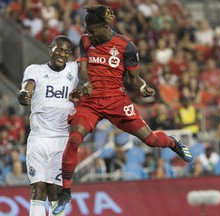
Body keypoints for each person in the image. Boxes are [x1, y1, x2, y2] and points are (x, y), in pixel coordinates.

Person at [52, 5, 193, 214]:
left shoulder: (126, 47)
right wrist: (86, 83)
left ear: (104, 26)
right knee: (73, 140)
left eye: (93, 30)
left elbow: (134, 80)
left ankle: (173, 142)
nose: (90, 34)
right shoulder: (85, 41)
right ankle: (65, 192)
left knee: (151, 140)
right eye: (87, 30)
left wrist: (144, 87)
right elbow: (83, 70)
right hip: (90, 102)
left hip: (117, 101)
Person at [17, 35, 78, 216]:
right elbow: (27, 87)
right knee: (38, 188)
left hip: (62, 139)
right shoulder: (35, 70)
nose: (62, 54)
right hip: (39, 138)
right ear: (50, 48)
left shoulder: (74, 70)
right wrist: (24, 95)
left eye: (67, 51)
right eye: (59, 49)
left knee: (56, 192)